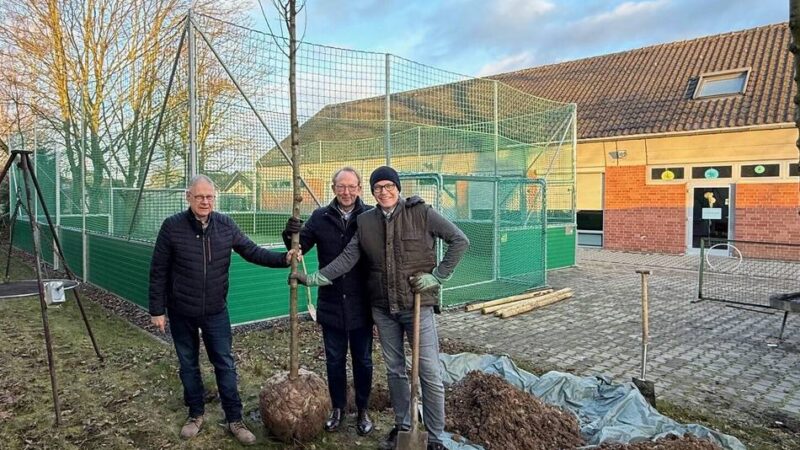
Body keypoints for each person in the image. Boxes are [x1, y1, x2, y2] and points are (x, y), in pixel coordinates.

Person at [292, 166, 469, 450]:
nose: (384, 191)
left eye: (389, 186)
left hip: (416, 306)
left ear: (397, 188)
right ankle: (403, 426)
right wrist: (315, 279)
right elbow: (347, 258)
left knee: (429, 371)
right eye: (379, 188)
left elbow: (459, 240)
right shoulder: (366, 222)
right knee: (395, 370)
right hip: (383, 309)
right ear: (372, 192)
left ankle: (435, 436)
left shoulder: (421, 213)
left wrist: (438, 275)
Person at [149, 174, 298, 446]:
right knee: (188, 364)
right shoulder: (171, 227)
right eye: (199, 196)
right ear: (189, 197)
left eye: (209, 197)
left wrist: (284, 259)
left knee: (225, 364)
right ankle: (195, 414)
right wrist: (157, 310)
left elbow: (253, 251)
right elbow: (158, 271)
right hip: (181, 308)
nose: (205, 201)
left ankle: (235, 419)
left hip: (216, 309)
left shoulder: (225, 225)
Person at [282, 166, 375, 436]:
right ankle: (337, 408)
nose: (346, 192)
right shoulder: (320, 217)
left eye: (351, 186)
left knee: (364, 360)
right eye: (340, 186)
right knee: (334, 360)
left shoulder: (370, 216)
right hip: (332, 302)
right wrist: (290, 234)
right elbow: (300, 246)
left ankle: (363, 409)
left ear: (359, 188)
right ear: (333, 188)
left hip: (361, 303)